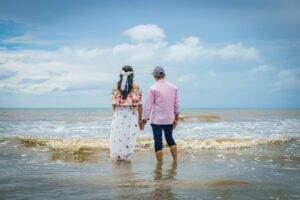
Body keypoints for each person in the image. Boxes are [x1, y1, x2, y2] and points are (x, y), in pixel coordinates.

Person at [142, 66, 180, 163]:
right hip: (169, 119)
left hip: (157, 121)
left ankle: (160, 165)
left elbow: (148, 106)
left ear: (154, 76)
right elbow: (176, 105)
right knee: (170, 139)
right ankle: (175, 162)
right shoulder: (174, 87)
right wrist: (176, 118)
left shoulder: (153, 88)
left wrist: (144, 120)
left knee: (158, 142)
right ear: (164, 75)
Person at [110, 65, 143, 161]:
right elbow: (139, 105)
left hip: (119, 114)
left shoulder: (116, 87)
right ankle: (127, 158)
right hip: (131, 115)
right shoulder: (136, 87)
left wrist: (119, 112)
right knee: (129, 137)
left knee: (117, 136)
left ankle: (117, 158)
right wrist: (140, 119)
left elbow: (113, 104)